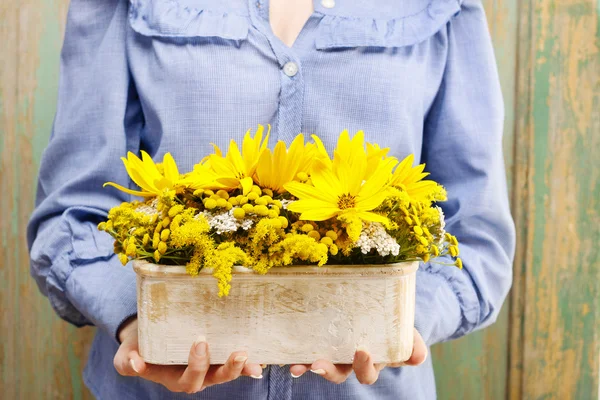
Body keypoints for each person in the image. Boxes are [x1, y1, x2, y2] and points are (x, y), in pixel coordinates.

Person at [27, 0, 516, 398]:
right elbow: (75, 214)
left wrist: (399, 323)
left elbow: (473, 235)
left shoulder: (444, 8)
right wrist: (144, 323)